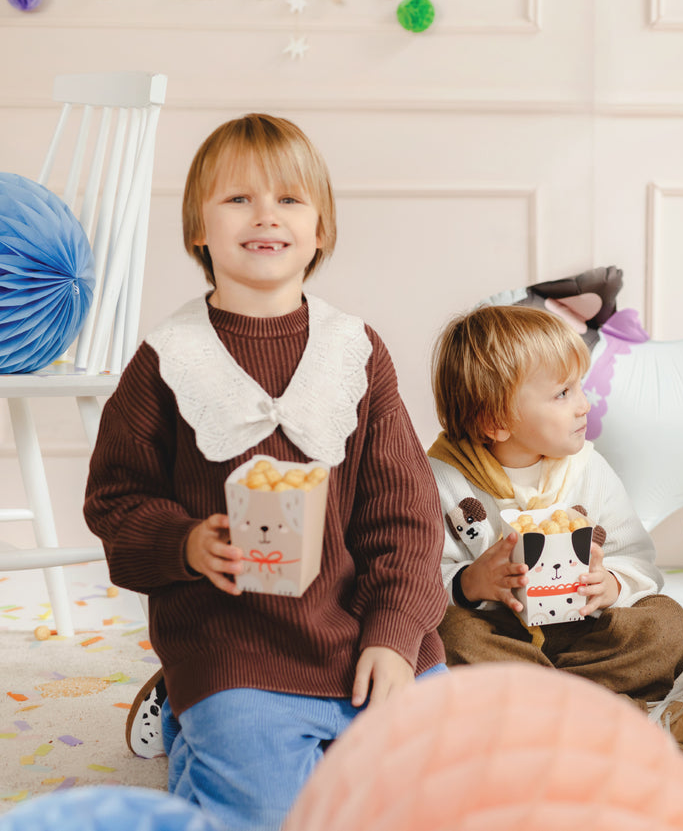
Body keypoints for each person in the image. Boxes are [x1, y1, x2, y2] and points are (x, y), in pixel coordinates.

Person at [83, 113, 448, 831]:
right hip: (233, 645)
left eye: (289, 199)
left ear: (320, 229)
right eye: (238, 199)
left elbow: (404, 514)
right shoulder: (167, 358)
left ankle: (213, 734)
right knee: (268, 812)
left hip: (357, 634)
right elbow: (115, 497)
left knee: (433, 799)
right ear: (199, 228)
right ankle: (200, 721)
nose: (265, 215)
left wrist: (395, 631)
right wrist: (184, 543)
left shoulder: (356, 351)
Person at [426, 304, 683, 756]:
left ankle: (535, 714)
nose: (584, 404)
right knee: (449, 636)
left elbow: (635, 557)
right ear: (495, 422)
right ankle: (596, 715)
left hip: (579, 635)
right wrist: (467, 583)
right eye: (562, 393)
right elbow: (414, 582)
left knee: (668, 624)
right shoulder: (441, 481)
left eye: (579, 387)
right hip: (498, 636)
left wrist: (611, 584)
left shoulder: (587, 469)